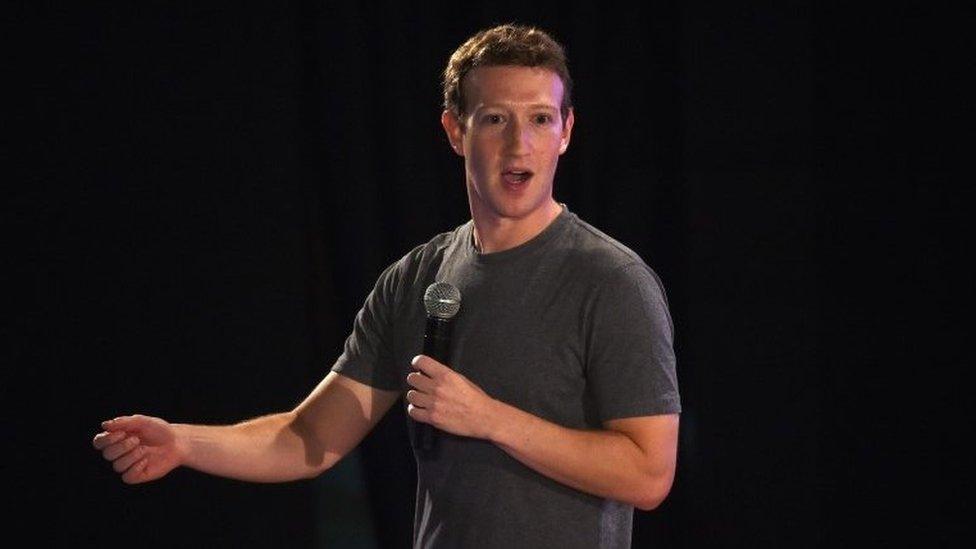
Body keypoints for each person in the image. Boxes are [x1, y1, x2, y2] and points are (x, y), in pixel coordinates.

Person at [94, 23, 680, 548]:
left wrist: (490, 418)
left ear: (566, 132)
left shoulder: (610, 281)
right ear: (456, 131)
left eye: (540, 119)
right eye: (495, 118)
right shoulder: (416, 280)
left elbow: (648, 474)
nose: (518, 143)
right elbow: (309, 436)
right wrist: (182, 443)